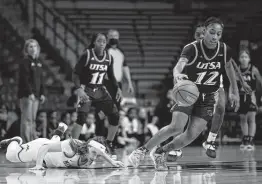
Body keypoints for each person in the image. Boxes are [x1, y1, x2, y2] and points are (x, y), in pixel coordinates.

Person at [128, 17, 240, 170]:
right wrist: (177, 75)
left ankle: (160, 152)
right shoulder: (191, 48)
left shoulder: (225, 49)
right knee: (176, 127)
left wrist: (234, 90)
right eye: (212, 32)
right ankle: (141, 151)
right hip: (189, 94)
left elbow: (228, 68)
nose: (215, 36)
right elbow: (179, 66)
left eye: (219, 34)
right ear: (205, 31)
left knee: (190, 135)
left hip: (207, 98)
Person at [70, 33, 122, 158]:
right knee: (82, 117)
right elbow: (75, 74)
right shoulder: (87, 55)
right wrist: (79, 89)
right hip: (86, 88)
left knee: (115, 115)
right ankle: (72, 146)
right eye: (99, 41)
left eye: (104, 41)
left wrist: (118, 88)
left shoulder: (109, 57)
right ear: (94, 42)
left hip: (100, 89)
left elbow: (112, 76)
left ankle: (109, 144)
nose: (102, 43)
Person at [0, 123, 124, 170]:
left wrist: (113, 162)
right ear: (87, 147)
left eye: (97, 155)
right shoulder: (72, 146)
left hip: (52, 156)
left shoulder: (90, 157)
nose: (95, 157)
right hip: (39, 150)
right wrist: (38, 165)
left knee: (56, 145)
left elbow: (100, 151)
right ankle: (14, 141)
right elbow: (45, 147)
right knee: (11, 156)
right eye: (94, 153)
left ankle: (59, 132)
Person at [18, 39, 46, 143]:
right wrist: (29, 93)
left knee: (32, 119)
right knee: (27, 120)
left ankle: (32, 141)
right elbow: (25, 79)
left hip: (37, 95)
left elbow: (41, 80)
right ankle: (25, 142)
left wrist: (42, 93)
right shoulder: (25, 61)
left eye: (35, 46)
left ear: (37, 48)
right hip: (27, 95)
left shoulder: (39, 63)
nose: (33, 48)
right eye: (30, 46)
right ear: (26, 49)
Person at [237, 49, 262, 150]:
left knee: (251, 118)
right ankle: (245, 138)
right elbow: (233, 85)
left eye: (246, 57)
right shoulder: (237, 70)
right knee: (243, 119)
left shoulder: (253, 69)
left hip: (251, 97)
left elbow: (260, 81)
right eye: (242, 57)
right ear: (239, 59)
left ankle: (251, 140)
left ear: (249, 59)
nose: (244, 59)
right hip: (240, 97)